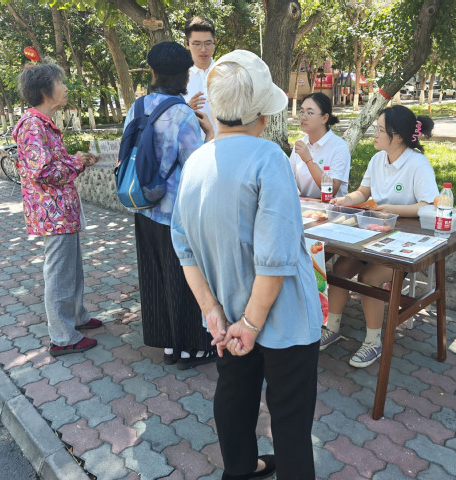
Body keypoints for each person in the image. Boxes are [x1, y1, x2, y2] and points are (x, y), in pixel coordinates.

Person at [171, 50, 322, 480]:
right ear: (262, 116)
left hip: (227, 311)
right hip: (282, 317)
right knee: (290, 415)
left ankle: (239, 469)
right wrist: (252, 325)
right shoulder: (268, 157)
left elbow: (183, 245)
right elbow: (275, 259)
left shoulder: (196, 161)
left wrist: (212, 310)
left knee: (234, 395)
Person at [122, 41, 217, 369]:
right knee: (184, 277)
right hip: (175, 214)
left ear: (152, 71)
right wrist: (209, 137)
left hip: (142, 206)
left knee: (154, 276)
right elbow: (195, 165)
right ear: (186, 75)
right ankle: (191, 349)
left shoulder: (137, 107)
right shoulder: (182, 113)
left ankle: (166, 344)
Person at [322, 105, 439, 368]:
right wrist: (345, 200)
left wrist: (390, 209)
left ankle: (373, 342)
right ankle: (332, 327)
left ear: (398, 137)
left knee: (369, 278)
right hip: (372, 234)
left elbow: (429, 205)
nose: (374, 134)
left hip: (403, 243)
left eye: (379, 130)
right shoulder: (377, 160)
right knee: (340, 269)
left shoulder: (417, 164)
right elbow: (363, 192)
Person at [13, 63, 102, 357]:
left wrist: (76, 160)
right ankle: (63, 338)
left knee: (72, 269)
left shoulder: (44, 123)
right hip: (53, 214)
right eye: (60, 83)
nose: (64, 88)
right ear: (44, 90)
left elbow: (51, 165)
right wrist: (76, 162)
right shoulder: (33, 126)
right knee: (60, 274)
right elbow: (42, 172)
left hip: (62, 211)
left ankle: (76, 316)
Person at [289, 92, 351, 199]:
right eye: (302, 112)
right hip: (305, 206)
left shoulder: (339, 147)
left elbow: (331, 191)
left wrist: (309, 160)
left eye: (310, 113)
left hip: (331, 206)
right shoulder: (301, 144)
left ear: (324, 118)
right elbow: (288, 179)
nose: (303, 117)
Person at [183, 16, 218, 136]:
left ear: (215, 42)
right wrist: (186, 109)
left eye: (208, 43)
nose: (203, 49)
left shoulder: (226, 74)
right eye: (197, 44)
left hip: (223, 143)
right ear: (187, 44)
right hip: (191, 145)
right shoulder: (178, 78)